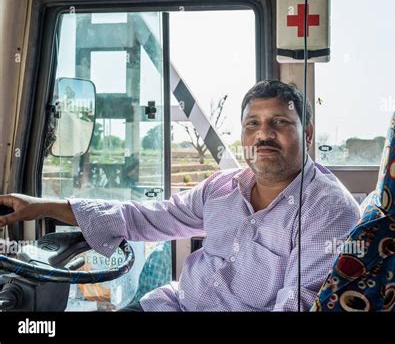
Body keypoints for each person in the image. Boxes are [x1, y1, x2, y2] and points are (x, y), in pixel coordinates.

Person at [0, 80, 360, 311]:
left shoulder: (328, 210)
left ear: (307, 133)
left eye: (279, 122)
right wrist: (43, 206)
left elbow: (297, 305)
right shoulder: (223, 187)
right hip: (173, 303)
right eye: (253, 123)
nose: (263, 134)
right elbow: (149, 216)